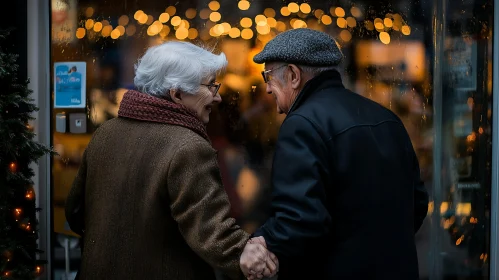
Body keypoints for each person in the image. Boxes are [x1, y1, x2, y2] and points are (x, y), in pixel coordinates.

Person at [65, 41, 278, 280]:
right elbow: (210, 229)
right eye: (210, 86)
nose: (216, 98)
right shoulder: (188, 146)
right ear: (176, 94)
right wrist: (245, 253)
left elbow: (75, 213)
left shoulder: (105, 133)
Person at [245, 28, 429, 279]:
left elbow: (300, 220)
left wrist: (259, 242)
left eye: (268, 76)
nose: (266, 89)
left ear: (293, 75)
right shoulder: (387, 118)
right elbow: (417, 204)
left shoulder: (302, 123)